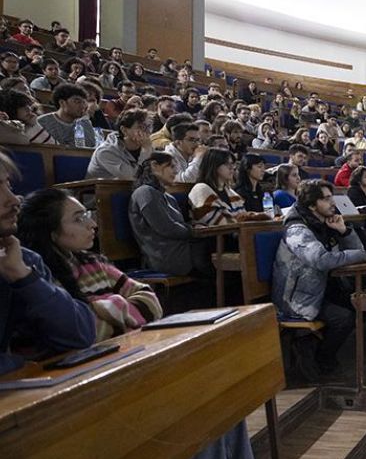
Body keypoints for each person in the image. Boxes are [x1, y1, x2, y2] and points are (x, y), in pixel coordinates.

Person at [17, 188, 163, 341]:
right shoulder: (41, 277)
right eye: (78, 219)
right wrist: (121, 307)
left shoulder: (93, 263)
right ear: (51, 232)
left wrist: (106, 309)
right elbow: (80, 334)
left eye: (86, 215)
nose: (92, 224)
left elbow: (151, 302)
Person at [271, 180, 366, 371]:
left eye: (331, 197)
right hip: (297, 297)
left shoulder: (323, 223)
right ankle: (321, 358)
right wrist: (365, 255)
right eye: (326, 199)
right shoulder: (297, 229)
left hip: (320, 289)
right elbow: (321, 260)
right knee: (344, 317)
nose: (333, 203)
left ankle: (313, 345)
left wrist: (344, 231)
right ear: (311, 204)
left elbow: (357, 251)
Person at [0, 151, 96, 375]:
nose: (14, 200)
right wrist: (16, 364)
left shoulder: (21, 261)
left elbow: (80, 335)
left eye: (8, 186)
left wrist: (24, 277)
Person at [129, 154, 215, 277]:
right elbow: (166, 228)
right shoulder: (145, 192)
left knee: (222, 243)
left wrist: (194, 226)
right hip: (166, 255)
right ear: (154, 166)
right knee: (215, 247)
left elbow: (178, 224)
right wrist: (194, 231)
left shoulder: (168, 196)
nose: (176, 171)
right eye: (171, 166)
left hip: (181, 248)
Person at [86, 109, 152, 179]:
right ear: (124, 130)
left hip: (133, 188)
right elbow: (133, 177)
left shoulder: (146, 146)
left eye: (148, 127)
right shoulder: (106, 152)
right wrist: (146, 150)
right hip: (103, 188)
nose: (146, 131)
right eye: (140, 127)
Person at [37, 83, 97, 147]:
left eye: (84, 102)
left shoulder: (85, 123)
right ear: (62, 103)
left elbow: (90, 147)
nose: (82, 106)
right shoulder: (42, 122)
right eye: (77, 102)